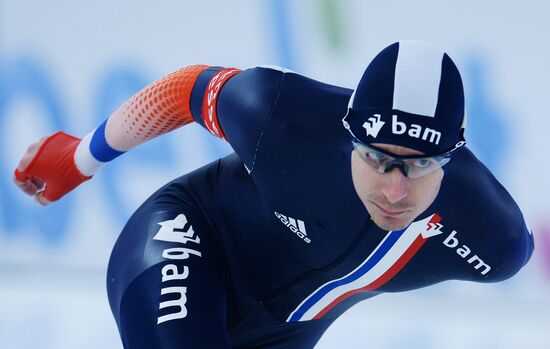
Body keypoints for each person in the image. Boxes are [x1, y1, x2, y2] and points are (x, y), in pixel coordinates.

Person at [14, 41, 534, 348]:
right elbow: (186, 89)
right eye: (377, 158)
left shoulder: (494, 239)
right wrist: (78, 158)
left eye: (420, 164)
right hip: (191, 239)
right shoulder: (281, 118)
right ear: (348, 136)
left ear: (453, 157)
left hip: (285, 332)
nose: (396, 188)